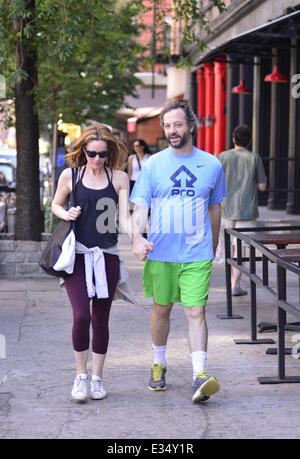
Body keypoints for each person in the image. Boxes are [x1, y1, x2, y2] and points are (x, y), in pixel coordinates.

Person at [130, 100, 226, 403]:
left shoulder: (212, 164)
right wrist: (136, 238)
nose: (172, 130)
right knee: (162, 310)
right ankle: (159, 363)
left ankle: (200, 374)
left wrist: (212, 246)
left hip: (197, 253)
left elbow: (215, 207)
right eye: (168, 126)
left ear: (191, 126)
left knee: (196, 311)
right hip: (161, 252)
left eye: (178, 124)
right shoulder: (154, 164)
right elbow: (140, 206)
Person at [51, 123, 149, 402]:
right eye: (92, 153)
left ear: (109, 154)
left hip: (106, 256)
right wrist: (65, 213)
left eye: (102, 154)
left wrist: (138, 239)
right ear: (83, 151)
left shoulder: (118, 178)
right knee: (81, 315)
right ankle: (80, 375)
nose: (96, 159)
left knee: (100, 319)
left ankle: (97, 378)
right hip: (77, 257)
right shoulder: (70, 175)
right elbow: (55, 204)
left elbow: (125, 217)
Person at [219, 124, 267, 296]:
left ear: (233, 139)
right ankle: (235, 284)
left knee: (230, 248)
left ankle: (233, 283)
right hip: (247, 209)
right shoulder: (254, 158)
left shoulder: (223, 156)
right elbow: (262, 186)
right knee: (242, 248)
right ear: (250, 141)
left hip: (226, 208)